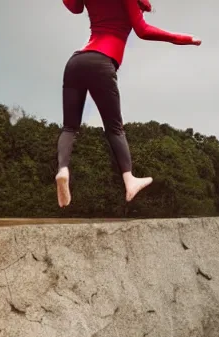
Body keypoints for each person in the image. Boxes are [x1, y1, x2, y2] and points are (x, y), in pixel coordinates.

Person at [56, 0, 202, 208]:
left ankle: (63, 170)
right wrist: (181, 38)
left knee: (70, 127)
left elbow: (75, 7)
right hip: (102, 62)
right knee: (115, 128)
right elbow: (142, 30)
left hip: (75, 62)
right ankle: (129, 180)